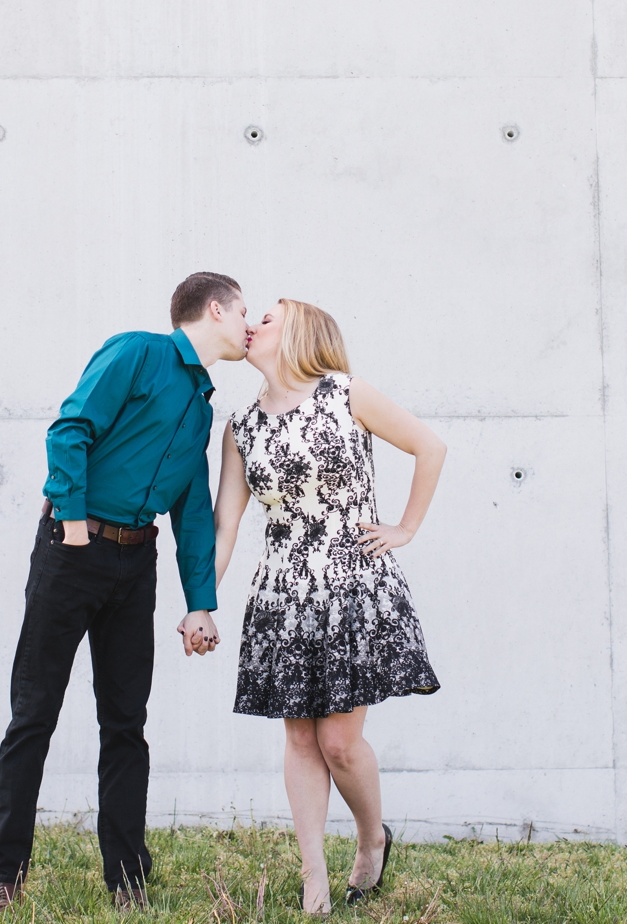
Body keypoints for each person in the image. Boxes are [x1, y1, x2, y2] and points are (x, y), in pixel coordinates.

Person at [0, 272, 251, 913]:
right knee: (34, 714)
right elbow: (70, 427)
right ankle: (5, 874)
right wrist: (73, 526)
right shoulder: (137, 351)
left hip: (138, 564)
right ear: (215, 309)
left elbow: (190, 513)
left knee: (126, 723)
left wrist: (200, 602)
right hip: (72, 552)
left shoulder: (203, 408)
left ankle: (127, 879)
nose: (251, 324)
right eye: (246, 311)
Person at [213, 299, 445, 915]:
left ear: (301, 333)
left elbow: (430, 446)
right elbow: (225, 530)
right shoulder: (240, 425)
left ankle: (372, 839)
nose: (253, 322)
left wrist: (405, 527)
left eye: (268, 315)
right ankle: (314, 876)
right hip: (282, 594)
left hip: (353, 585)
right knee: (300, 740)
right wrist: (200, 604)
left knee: (340, 742)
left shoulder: (345, 393)